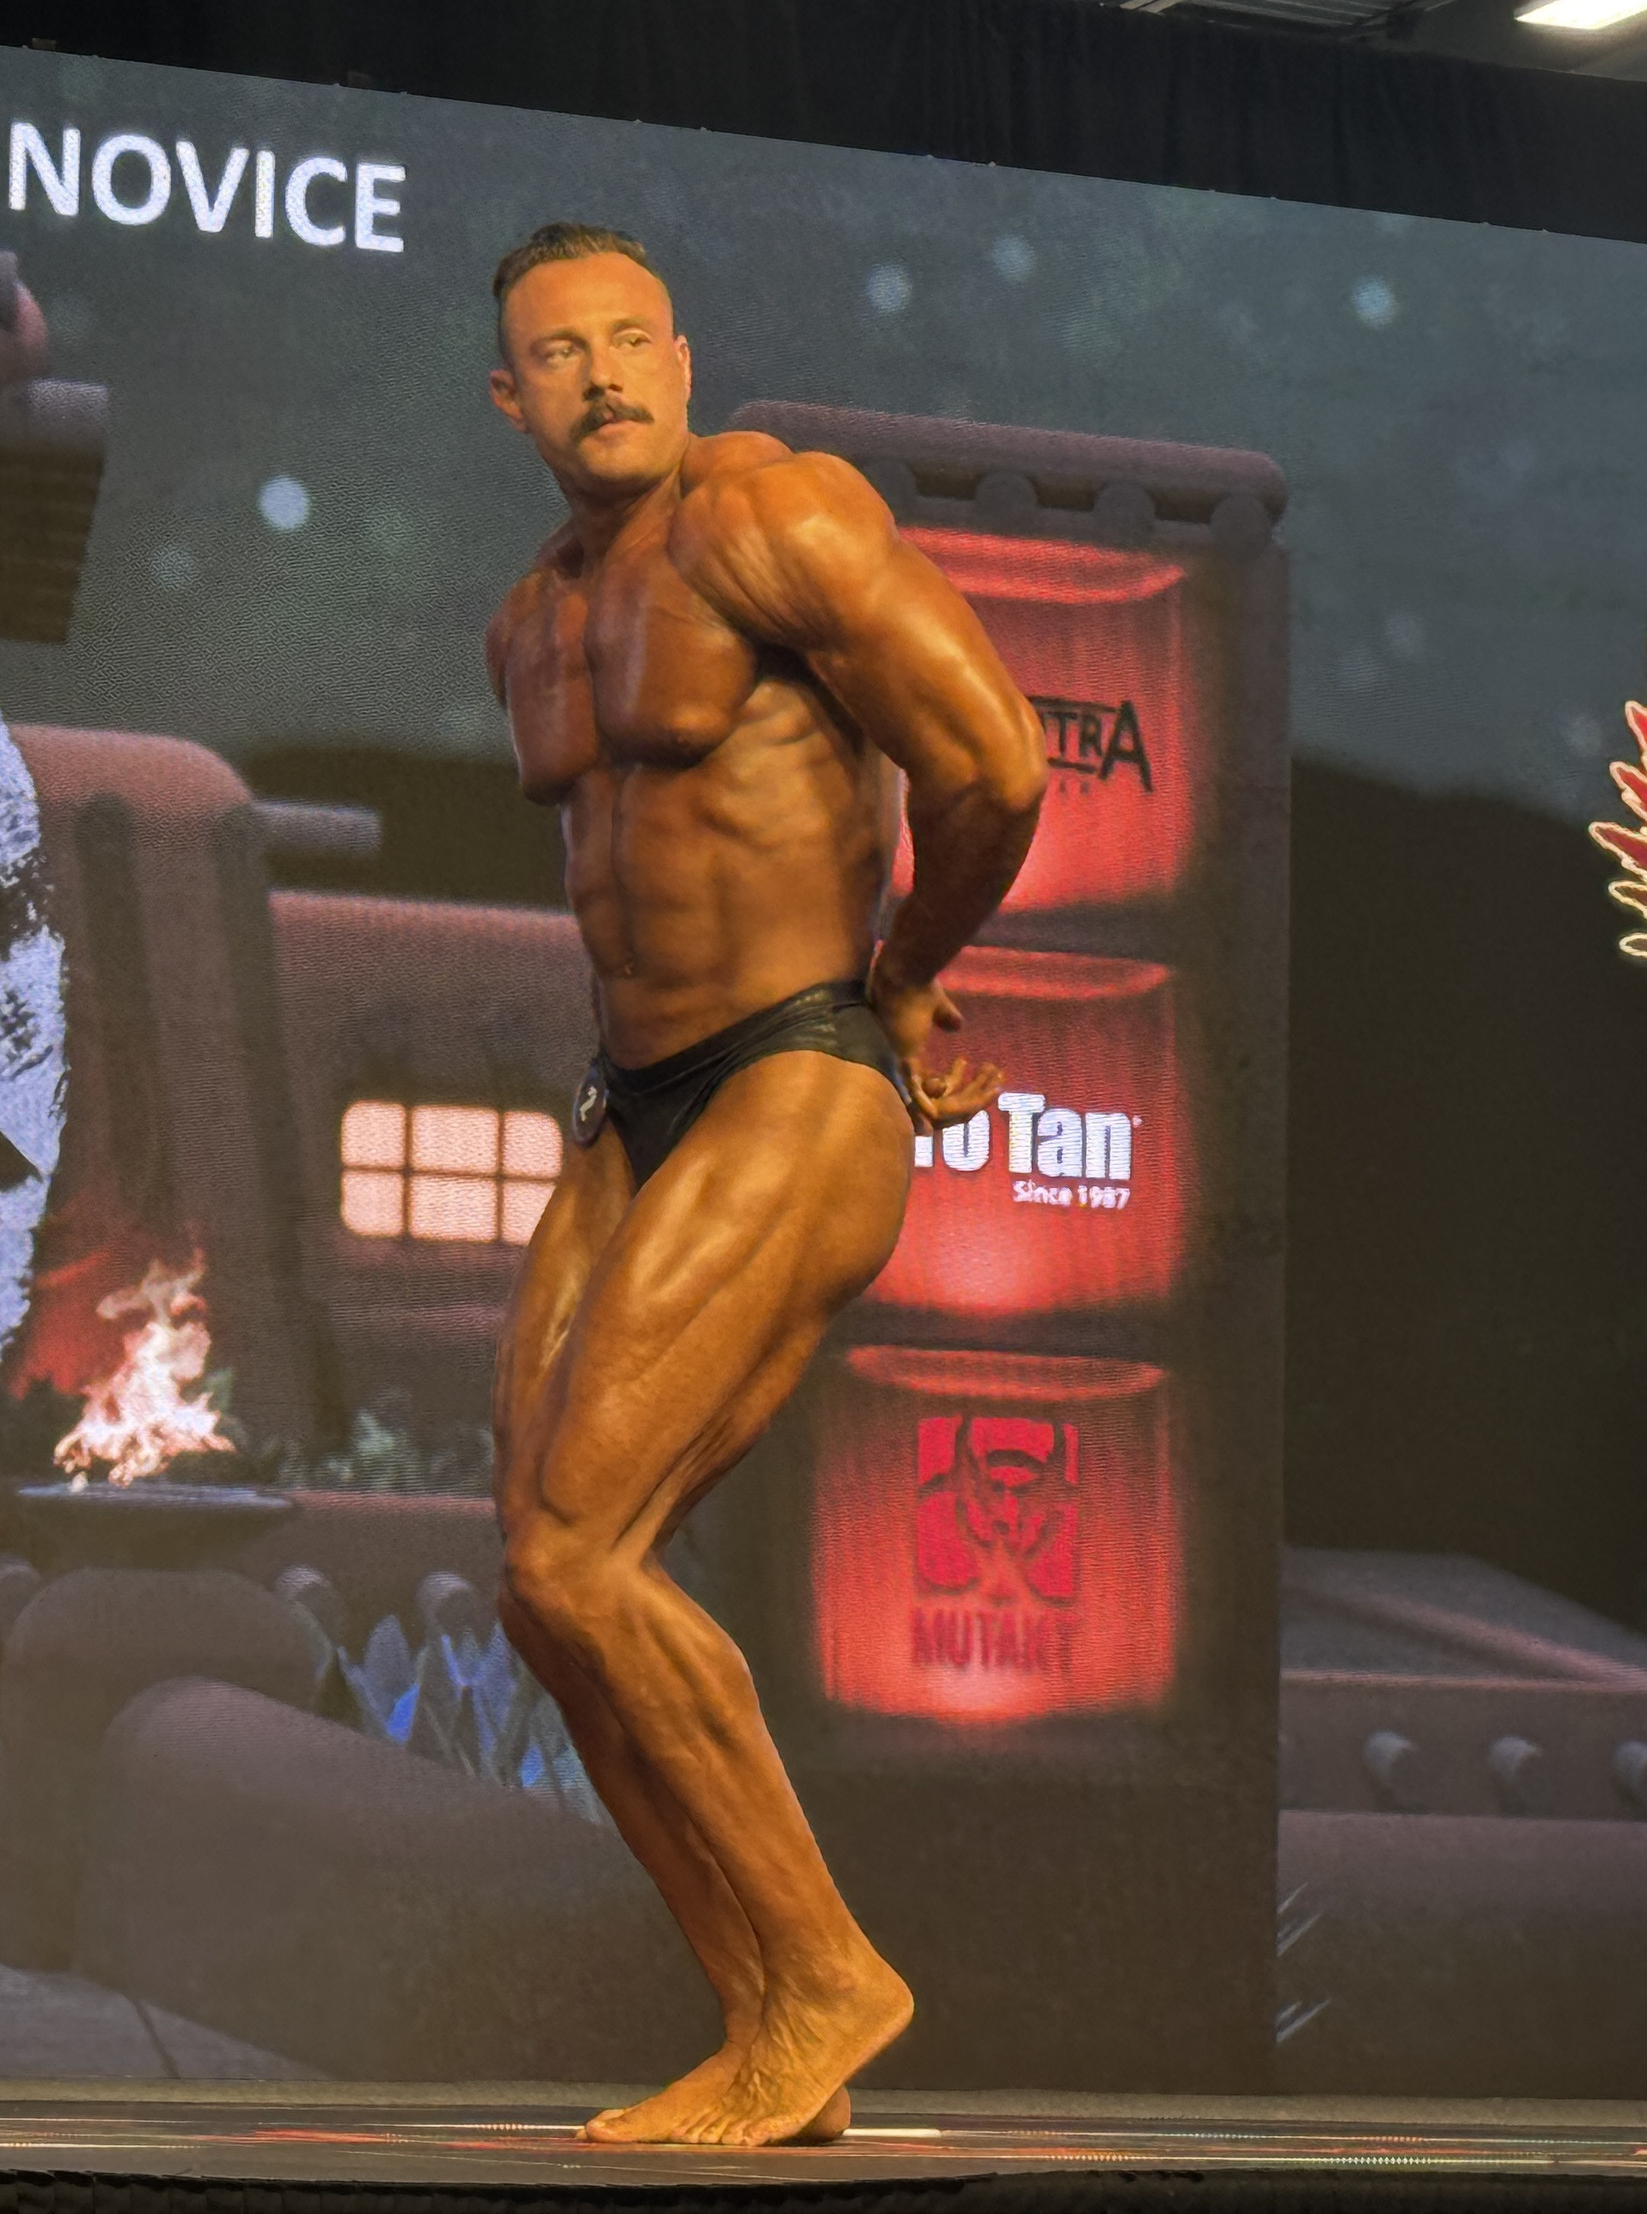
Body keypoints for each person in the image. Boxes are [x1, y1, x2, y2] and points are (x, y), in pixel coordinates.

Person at [482, 222, 1046, 2147]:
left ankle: (826, 1977)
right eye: (562, 354)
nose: (603, 376)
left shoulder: (771, 518)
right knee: (542, 1593)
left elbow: (995, 765)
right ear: (511, 397)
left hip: (798, 1065)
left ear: (683, 358)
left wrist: (902, 978)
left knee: (580, 1552)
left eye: (631, 338)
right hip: (631, 1104)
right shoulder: (529, 620)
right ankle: (768, 2025)